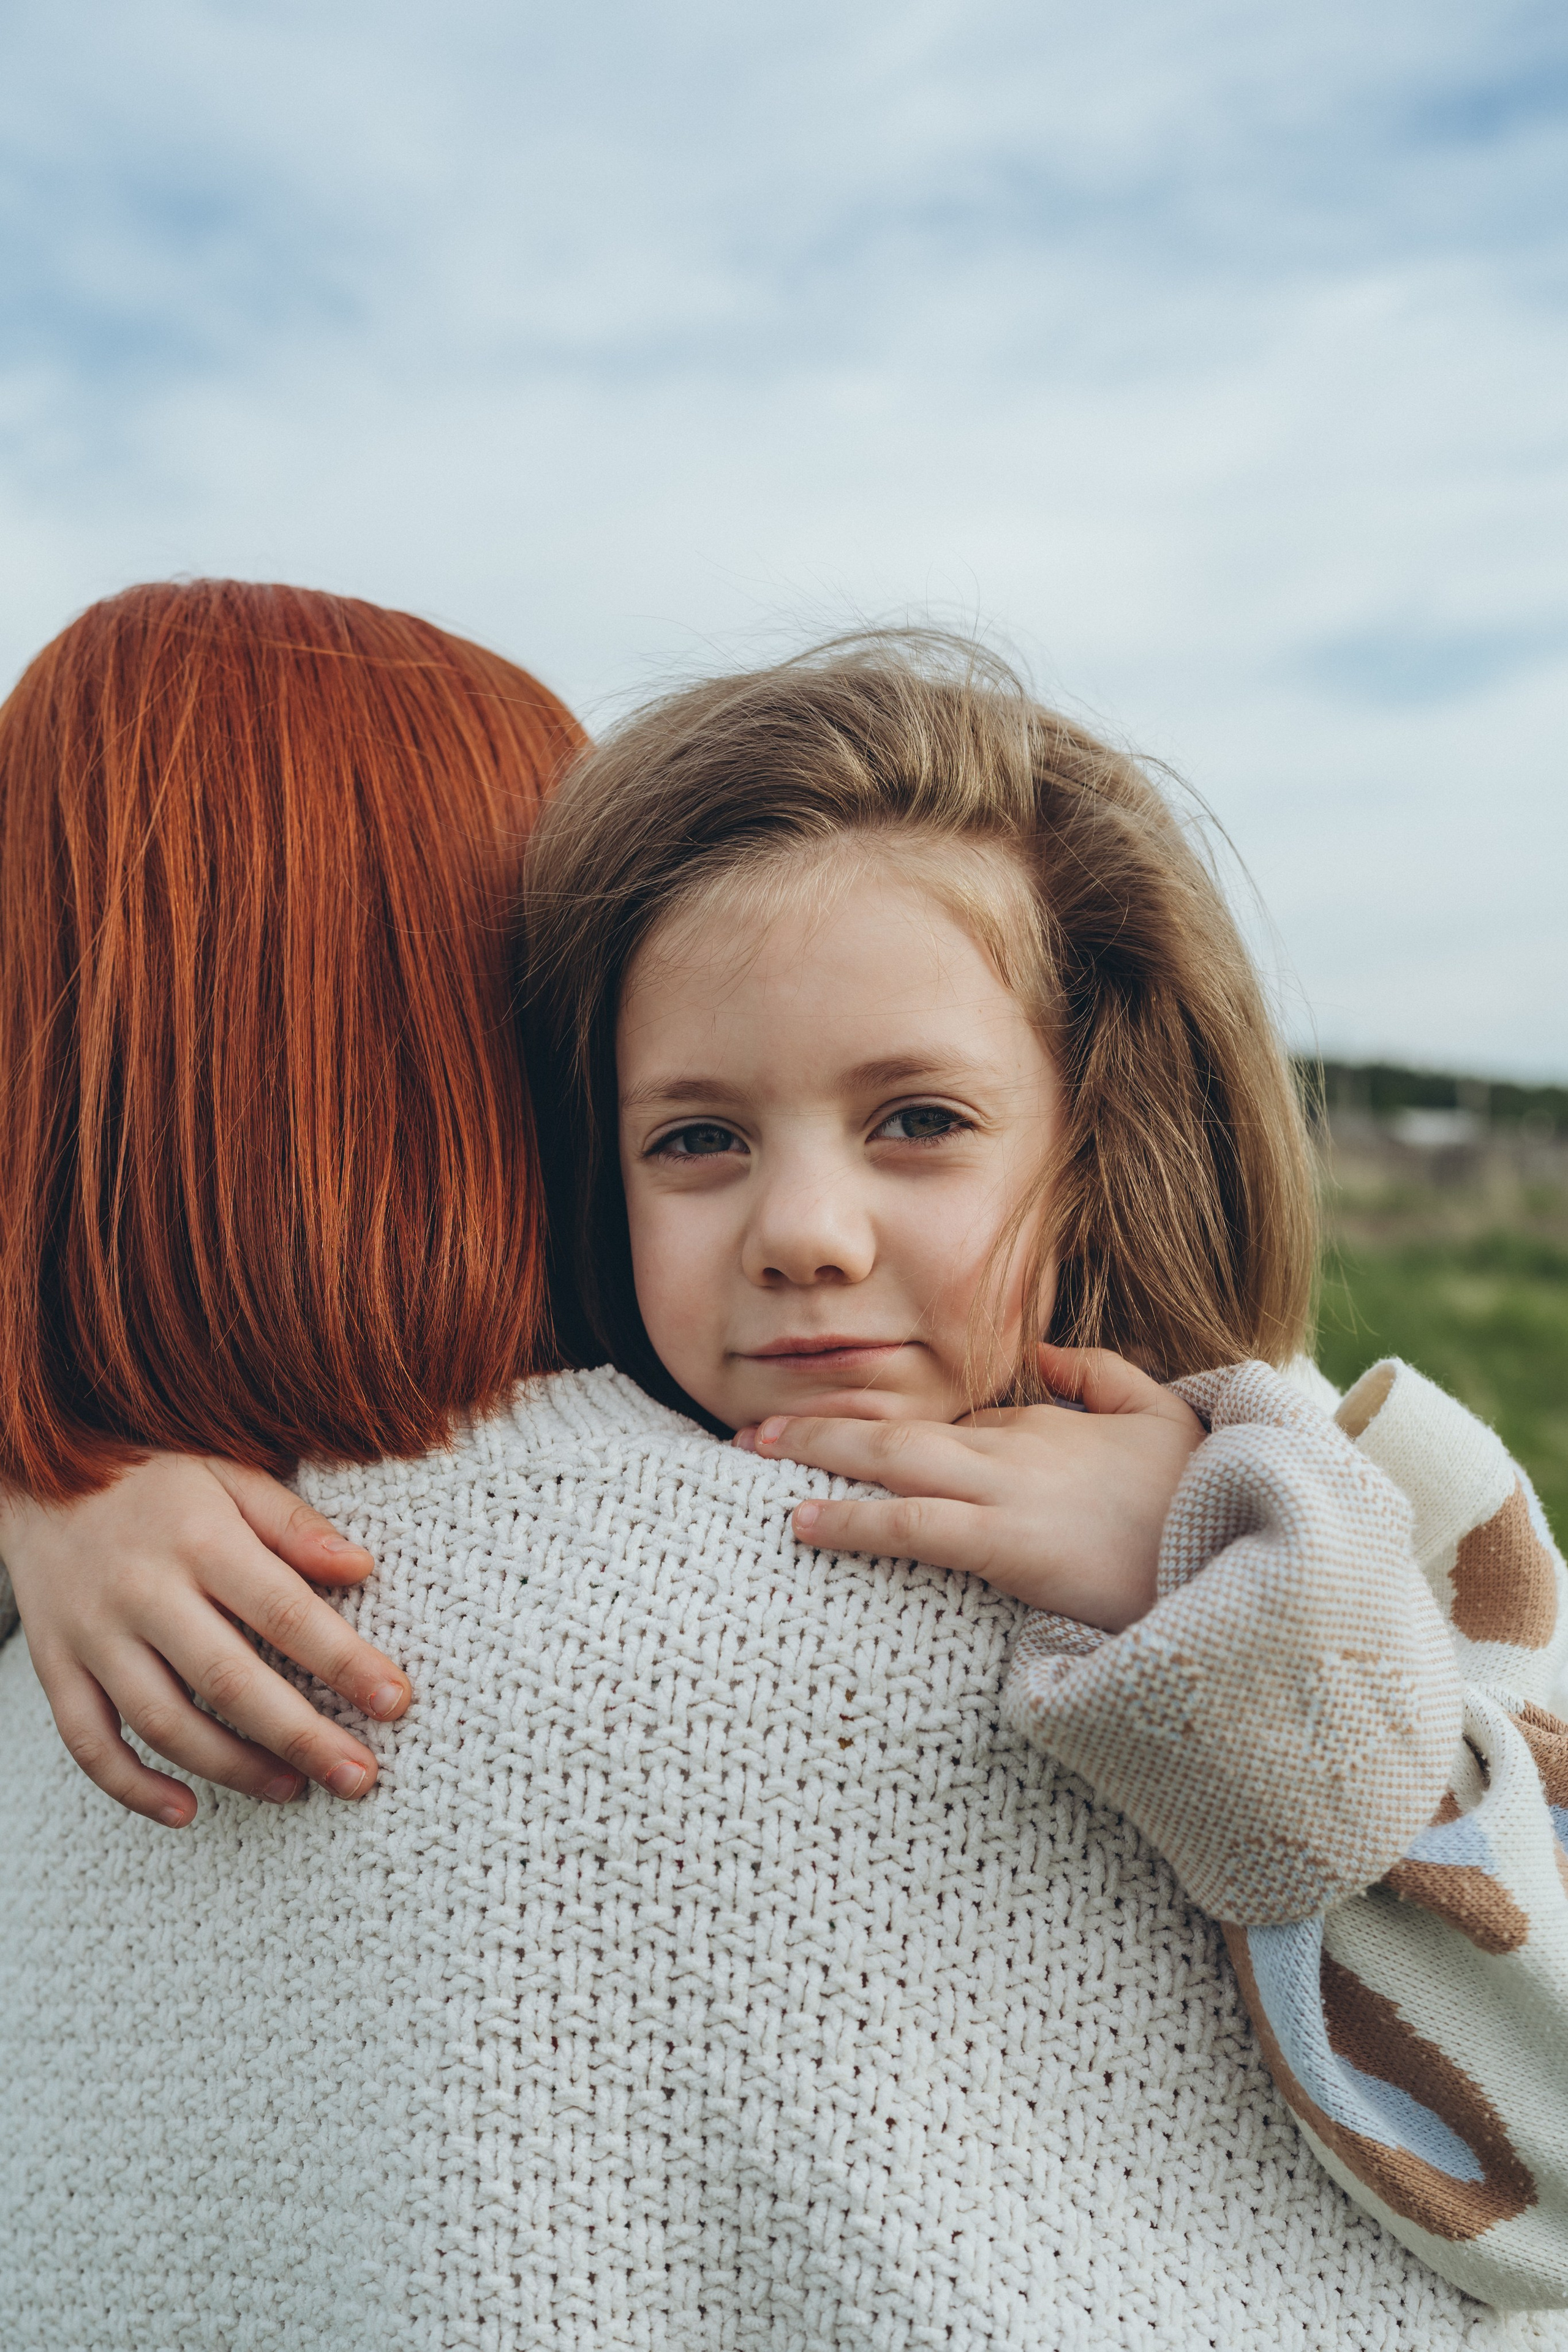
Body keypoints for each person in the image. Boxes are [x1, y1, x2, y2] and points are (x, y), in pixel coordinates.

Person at [1, 623, 1564, 2348]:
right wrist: (57, 1478)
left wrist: (1229, 1573)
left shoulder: (1325, 1508)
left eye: (918, 1122)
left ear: (1107, 1134)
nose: (805, 1236)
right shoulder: (178, 1565)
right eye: (694, 1140)